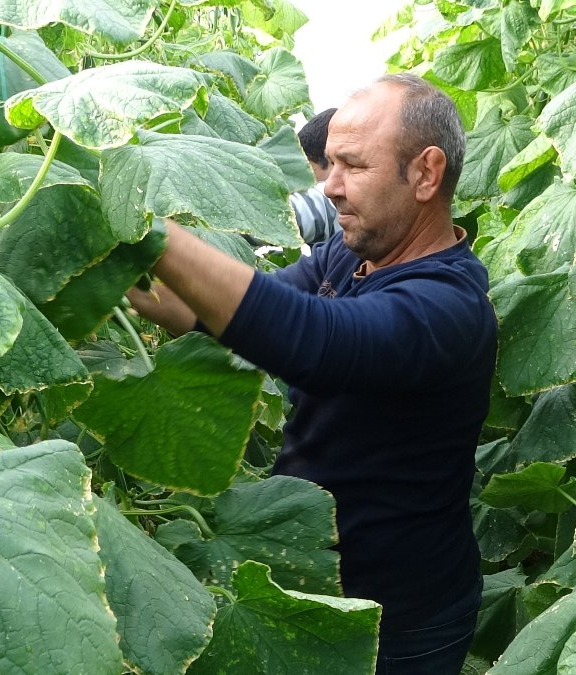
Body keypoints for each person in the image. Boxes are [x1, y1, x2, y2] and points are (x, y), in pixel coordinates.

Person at [127, 74, 497, 674]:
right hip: (315, 579)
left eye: (351, 166)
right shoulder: (353, 255)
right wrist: (130, 265)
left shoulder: (449, 307)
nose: (330, 187)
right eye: (328, 165)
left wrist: (151, 230)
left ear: (426, 174)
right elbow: (219, 312)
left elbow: (315, 345)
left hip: (400, 622)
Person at [289, 108, 340, 245]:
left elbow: (279, 216)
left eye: (308, 177)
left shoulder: (333, 202)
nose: (301, 187)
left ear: (334, 160)